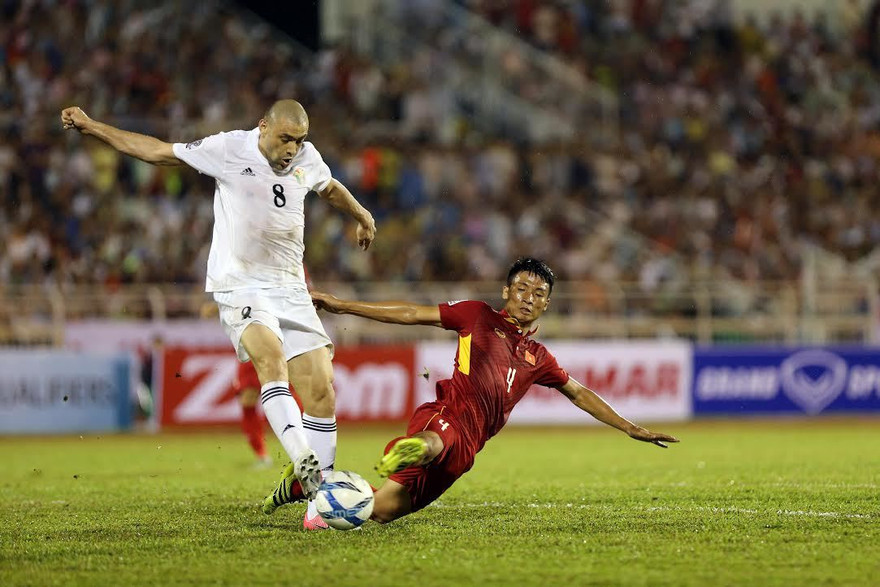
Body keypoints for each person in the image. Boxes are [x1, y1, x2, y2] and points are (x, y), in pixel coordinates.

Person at [61, 100, 376, 530]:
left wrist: (361, 214)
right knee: (270, 360)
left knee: (322, 388)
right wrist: (93, 127)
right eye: (285, 138)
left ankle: (315, 508)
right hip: (240, 283)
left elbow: (330, 186)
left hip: (291, 286)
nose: (291, 148)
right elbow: (156, 151)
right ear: (263, 126)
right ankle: (309, 467)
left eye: (298, 141)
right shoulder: (229, 149)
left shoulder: (308, 157)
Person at [264, 257, 679, 524]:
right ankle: (411, 450)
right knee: (434, 441)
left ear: (547, 305)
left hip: (467, 452)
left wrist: (629, 427)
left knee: (382, 511)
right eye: (521, 288)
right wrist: (343, 304)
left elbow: (579, 392)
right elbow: (411, 313)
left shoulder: (540, 358)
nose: (529, 298)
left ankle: (309, 486)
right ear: (506, 292)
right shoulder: (477, 316)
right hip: (445, 416)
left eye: (539, 294)